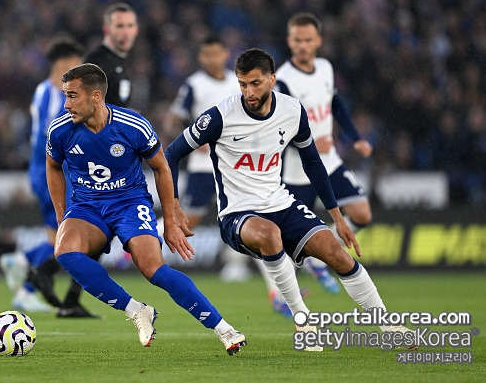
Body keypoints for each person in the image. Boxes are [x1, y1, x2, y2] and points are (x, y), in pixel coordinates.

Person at [165, 48, 415, 351]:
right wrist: (174, 208)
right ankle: (303, 320)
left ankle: (387, 324)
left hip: (281, 203)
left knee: (336, 252)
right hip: (237, 213)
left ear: (272, 79)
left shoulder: (292, 110)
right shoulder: (220, 116)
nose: (248, 92)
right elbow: (171, 155)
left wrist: (337, 218)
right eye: (243, 84)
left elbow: (313, 163)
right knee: (270, 235)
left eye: (255, 83)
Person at [46, 63, 247, 355]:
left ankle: (224, 329)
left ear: (96, 96)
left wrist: (171, 218)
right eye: (65, 96)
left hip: (129, 202)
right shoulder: (61, 129)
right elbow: (53, 166)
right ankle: (137, 310)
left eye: (72, 96)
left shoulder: (133, 125)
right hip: (87, 205)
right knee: (64, 251)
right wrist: (62, 213)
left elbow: (162, 168)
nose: (66, 104)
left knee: (153, 269)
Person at [163, 36, 306, 317]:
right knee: (186, 222)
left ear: (225, 55)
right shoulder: (194, 84)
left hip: (239, 168)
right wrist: (197, 133)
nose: (212, 59)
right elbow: (173, 117)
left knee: (260, 227)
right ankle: (135, 241)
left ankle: (276, 293)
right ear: (201, 58)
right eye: (206, 55)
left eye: (217, 54)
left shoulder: (238, 81)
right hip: (205, 166)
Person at [0, 36, 99, 317]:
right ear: (66, 63)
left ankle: (25, 283)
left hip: (52, 170)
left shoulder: (53, 92)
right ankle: (24, 265)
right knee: (70, 235)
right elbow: (49, 132)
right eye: (78, 63)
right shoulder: (49, 92)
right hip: (48, 172)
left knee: (60, 237)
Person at [275, 12, 374, 296]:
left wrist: (355, 138)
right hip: (298, 169)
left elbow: (336, 103)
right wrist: (308, 143)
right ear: (289, 41)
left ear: (318, 41)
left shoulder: (326, 68)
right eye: (297, 40)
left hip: (329, 161)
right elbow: (277, 130)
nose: (303, 45)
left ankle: (320, 256)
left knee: (362, 213)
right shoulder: (282, 81)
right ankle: (286, 295)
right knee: (285, 240)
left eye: (308, 40)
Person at [83, 2, 138, 108]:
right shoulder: (97, 62)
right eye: (120, 26)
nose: (126, 32)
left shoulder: (122, 60)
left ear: (136, 30)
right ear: (106, 29)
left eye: (130, 26)